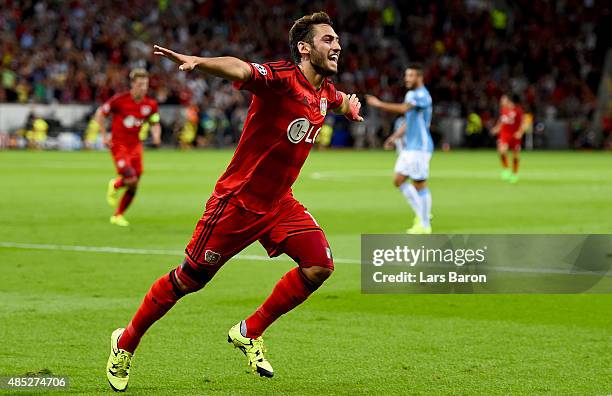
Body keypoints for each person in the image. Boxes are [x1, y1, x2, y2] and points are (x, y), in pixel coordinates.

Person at [106, 11, 363, 391]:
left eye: (337, 39)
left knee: (319, 266)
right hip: (237, 204)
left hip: (279, 204)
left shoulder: (324, 92)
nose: (337, 45)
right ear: (305, 49)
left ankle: (249, 331)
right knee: (188, 281)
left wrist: (350, 107)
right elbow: (240, 69)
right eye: (328, 40)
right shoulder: (281, 79)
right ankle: (124, 342)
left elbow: (338, 101)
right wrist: (200, 62)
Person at [365, 64, 433, 234]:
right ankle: (422, 214)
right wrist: (395, 137)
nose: (407, 79)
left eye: (410, 76)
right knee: (398, 180)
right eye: (406, 76)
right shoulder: (410, 94)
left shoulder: (423, 95)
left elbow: (404, 109)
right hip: (410, 147)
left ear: (420, 77)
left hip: (420, 148)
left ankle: (424, 224)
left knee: (419, 184)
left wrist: (379, 104)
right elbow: (408, 119)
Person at [94, 69, 161, 227]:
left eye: (145, 85)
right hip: (119, 145)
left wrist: (157, 135)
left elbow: (155, 122)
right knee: (130, 179)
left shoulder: (150, 104)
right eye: (140, 85)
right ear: (132, 84)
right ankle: (117, 186)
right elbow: (100, 114)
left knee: (135, 182)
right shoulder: (119, 100)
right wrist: (104, 136)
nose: (143, 88)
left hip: (136, 145)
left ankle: (118, 213)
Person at [491, 93, 524, 183]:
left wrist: (520, 132)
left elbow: (523, 122)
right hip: (505, 134)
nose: (501, 101)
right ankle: (506, 169)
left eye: (503, 99)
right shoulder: (503, 110)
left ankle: (514, 174)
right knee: (502, 150)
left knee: (515, 155)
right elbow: (501, 121)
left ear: (509, 100)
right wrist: (497, 128)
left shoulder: (518, 110)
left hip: (515, 135)